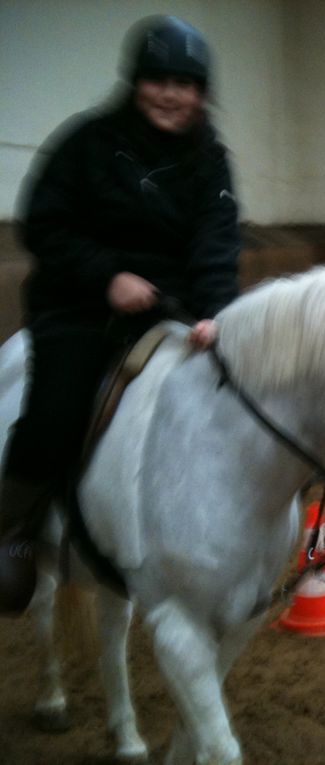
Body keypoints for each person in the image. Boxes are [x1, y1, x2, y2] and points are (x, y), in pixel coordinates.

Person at [0, 15, 241, 615]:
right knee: (56, 411)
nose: (170, 93)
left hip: (173, 309)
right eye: (157, 79)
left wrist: (216, 312)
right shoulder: (87, 143)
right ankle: (13, 529)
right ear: (136, 83)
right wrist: (106, 277)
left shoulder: (211, 160)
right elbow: (44, 224)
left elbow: (217, 241)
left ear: (200, 93)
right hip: (81, 305)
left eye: (184, 83)